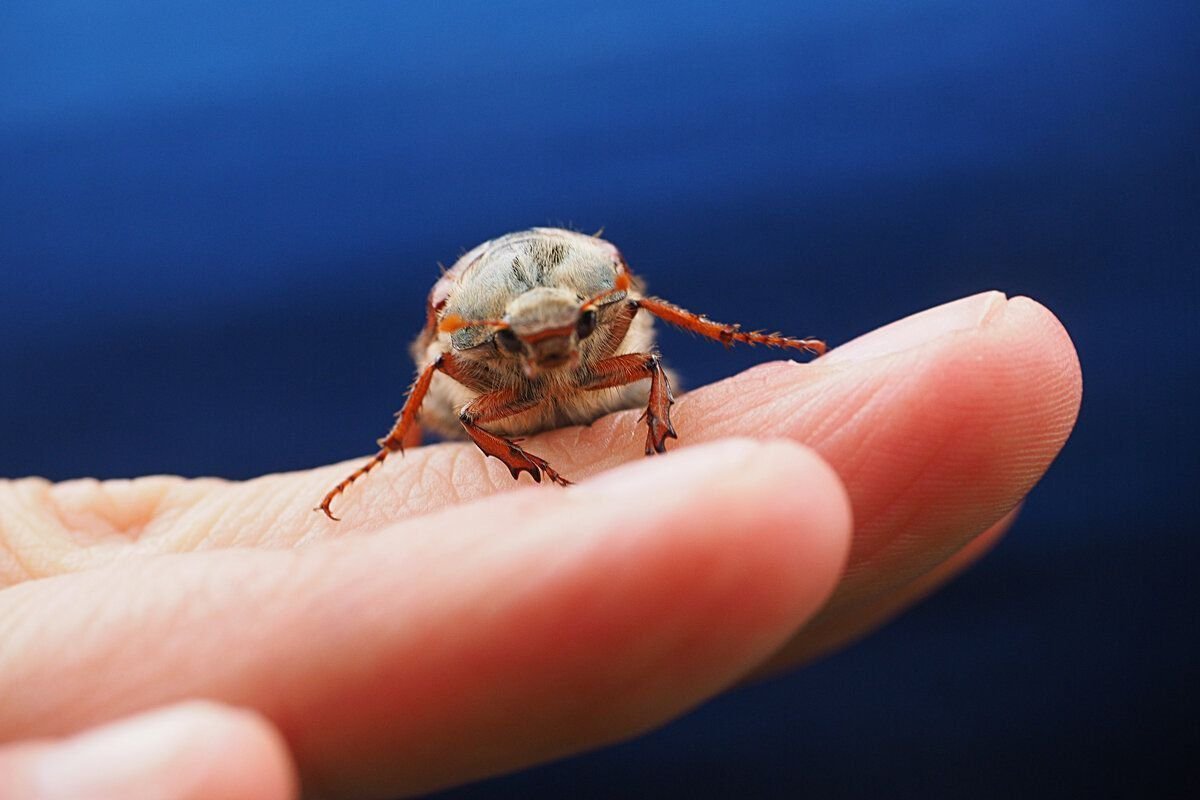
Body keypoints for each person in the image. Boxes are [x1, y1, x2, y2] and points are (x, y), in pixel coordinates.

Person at [0, 292, 1081, 800]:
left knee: (670, 406)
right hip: (491, 402)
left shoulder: (610, 317)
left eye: (576, 331)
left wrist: (719, 360)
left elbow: (650, 345)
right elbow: (444, 386)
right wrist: (410, 437)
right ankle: (443, 465)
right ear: (504, 332)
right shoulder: (474, 351)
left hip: (651, 427)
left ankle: (660, 444)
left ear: (593, 315)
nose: (560, 347)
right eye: (538, 335)